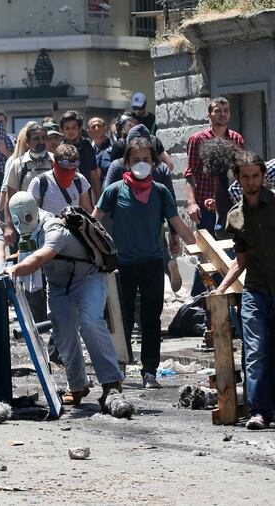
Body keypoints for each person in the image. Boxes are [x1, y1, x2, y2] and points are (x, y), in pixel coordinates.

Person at [94, 137, 195, 389]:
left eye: (146, 160)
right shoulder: (114, 190)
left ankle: (149, 371)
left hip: (152, 263)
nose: (142, 164)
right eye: (136, 159)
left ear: (153, 163)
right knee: (122, 320)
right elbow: (93, 223)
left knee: (151, 319)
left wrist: (198, 247)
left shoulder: (160, 192)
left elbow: (177, 223)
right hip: (122, 266)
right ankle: (120, 367)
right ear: (127, 162)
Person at [6, 191, 124, 407]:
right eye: (17, 218)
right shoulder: (27, 232)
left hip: (87, 277)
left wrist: (15, 269)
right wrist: (10, 262)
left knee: (89, 323)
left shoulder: (52, 227)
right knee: (64, 332)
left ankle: (111, 383)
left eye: (26, 216)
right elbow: (27, 254)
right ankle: (77, 386)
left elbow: (40, 257)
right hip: (59, 285)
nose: (23, 221)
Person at [216, 151, 275, 430]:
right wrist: (220, 289)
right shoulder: (235, 217)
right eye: (245, 176)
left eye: (256, 176)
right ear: (238, 179)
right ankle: (259, 412)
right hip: (256, 291)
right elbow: (240, 262)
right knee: (255, 350)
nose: (251, 182)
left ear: (263, 176)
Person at [104, 128, 183, 292]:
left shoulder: (117, 166)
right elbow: (171, 204)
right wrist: (174, 233)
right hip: (154, 227)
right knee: (154, 256)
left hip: (124, 232)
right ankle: (166, 266)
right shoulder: (161, 169)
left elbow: (106, 200)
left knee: (130, 274)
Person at [185, 97, 245, 295]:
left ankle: (228, 293)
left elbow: (241, 174)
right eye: (218, 110)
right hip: (205, 207)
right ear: (209, 115)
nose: (222, 114)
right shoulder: (197, 140)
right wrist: (192, 203)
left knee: (233, 251)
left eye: (226, 110)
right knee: (208, 255)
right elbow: (190, 174)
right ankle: (200, 299)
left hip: (231, 206)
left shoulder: (236, 139)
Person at [0, 122, 53, 245]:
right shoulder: (18, 164)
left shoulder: (55, 162)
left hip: (52, 223)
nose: (41, 142)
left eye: (44, 138)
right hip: (26, 224)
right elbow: (10, 198)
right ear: (27, 142)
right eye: (36, 138)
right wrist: (9, 226)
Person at [28, 144, 92, 215]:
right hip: (47, 225)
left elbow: (87, 209)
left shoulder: (80, 180)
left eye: (72, 169)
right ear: (55, 164)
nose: (68, 174)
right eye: (64, 170)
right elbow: (30, 212)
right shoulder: (39, 183)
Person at [60, 110, 100, 203]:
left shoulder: (87, 146)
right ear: (62, 131)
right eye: (67, 128)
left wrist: (99, 200)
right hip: (66, 199)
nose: (71, 131)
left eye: (74, 127)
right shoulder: (60, 150)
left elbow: (93, 174)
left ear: (79, 129)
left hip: (86, 197)